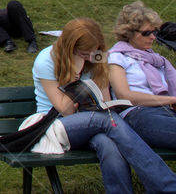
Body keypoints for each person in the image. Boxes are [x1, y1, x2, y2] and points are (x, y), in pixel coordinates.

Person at [32, 18, 176, 192]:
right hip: (56, 125)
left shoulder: (96, 56)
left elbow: (105, 102)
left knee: (109, 144)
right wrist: (75, 75)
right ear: (71, 48)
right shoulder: (46, 60)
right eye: (84, 54)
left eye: (92, 52)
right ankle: (167, 187)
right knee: (108, 120)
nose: (88, 58)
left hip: (94, 123)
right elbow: (67, 111)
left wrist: (104, 93)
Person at [108, 1, 176, 150]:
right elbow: (124, 95)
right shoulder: (117, 57)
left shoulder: (155, 59)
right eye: (147, 33)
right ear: (129, 33)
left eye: (155, 32)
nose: (153, 37)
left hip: (167, 111)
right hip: (139, 114)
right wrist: (171, 99)